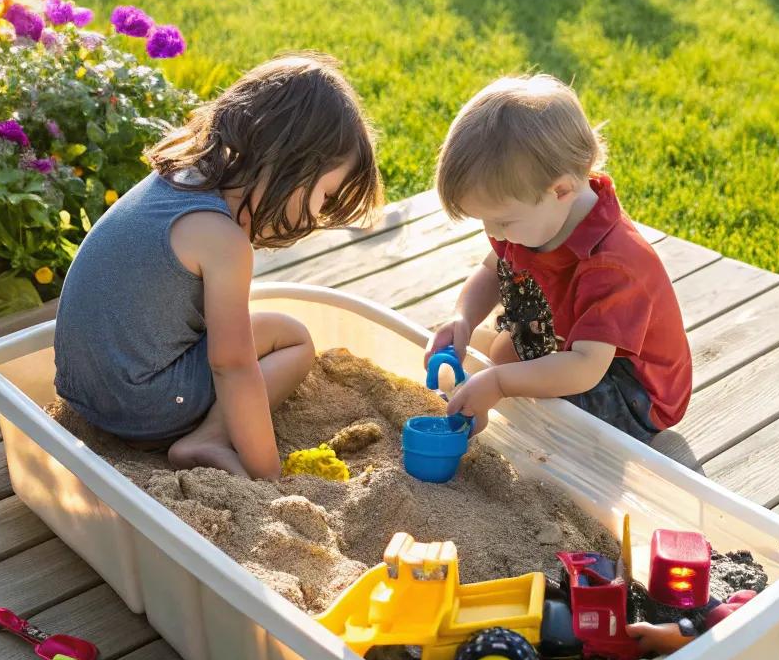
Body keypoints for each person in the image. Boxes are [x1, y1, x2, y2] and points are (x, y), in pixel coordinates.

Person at [54, 53, 382, 477]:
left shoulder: (176, 175)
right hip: (143, 408)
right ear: (293, 168)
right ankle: (207, 436)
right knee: (293, 339)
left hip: (82, 393)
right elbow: (233, 365)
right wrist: (268, 475)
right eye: (326, 195)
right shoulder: (223, 240)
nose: (319, 214)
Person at [425, 75, 691, 442]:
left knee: (540, 419)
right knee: (501, 353)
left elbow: (584, 369)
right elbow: (490, 272)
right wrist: (463, 318)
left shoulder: (612, 264)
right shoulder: (535, 220)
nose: (494, 232)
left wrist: (501, 384)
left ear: (561, 190)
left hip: (628, 388)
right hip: (569, 342)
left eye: (501, 220)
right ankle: (500, 366)